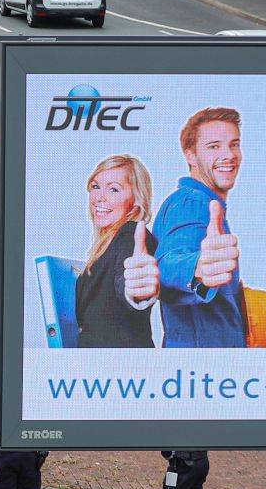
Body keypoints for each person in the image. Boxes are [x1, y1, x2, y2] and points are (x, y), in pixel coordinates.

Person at [150, 107, 256, 350]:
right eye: (214, 146)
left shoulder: (204, 205)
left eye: (234, 144)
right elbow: (167, 262)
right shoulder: (193, 202)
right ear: (190, 155)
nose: (228, 155)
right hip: (202, 370)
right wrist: (196, 267)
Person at [75, 155, 161, 349]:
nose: (99, 198)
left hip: (119, 368)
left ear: (136, 200)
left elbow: (128, 283)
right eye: (95, 186)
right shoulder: (108, 243)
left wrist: (136, 292)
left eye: (114, 189)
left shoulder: (131, 235)